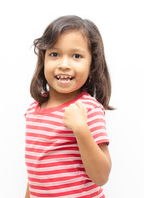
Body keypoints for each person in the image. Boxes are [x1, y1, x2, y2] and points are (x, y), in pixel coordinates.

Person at [25, 15, 114, 198]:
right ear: (44, 60)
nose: (64, 65)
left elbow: (101, 176)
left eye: (76, 56)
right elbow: (35, 174)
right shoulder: (34, 110)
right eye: (54, 54)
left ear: (92, 66)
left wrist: (81, 129)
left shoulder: (88, 108)